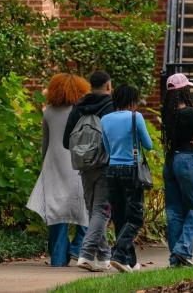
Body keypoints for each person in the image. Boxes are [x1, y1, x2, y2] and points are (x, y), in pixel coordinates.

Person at [27, 73, 91, 266]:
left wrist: (45, 163)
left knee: (56, 212)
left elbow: (45, 144)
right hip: (78, 163)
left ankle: (58, 259)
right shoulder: (82, 111)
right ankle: (77, 247)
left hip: (54, 163)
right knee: (85, 208)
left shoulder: (49, 112)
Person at [62, 70, 114, 272]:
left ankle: (104, 256)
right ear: (108, 86)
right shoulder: (112, 107)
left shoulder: (78, 107)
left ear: (90, 86)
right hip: (105, 164)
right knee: (101, 210)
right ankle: (85, 254)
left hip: (84, 166)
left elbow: (66, 141)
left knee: (94, 211)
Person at [100, 84, 152, 273]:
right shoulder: (135, 117)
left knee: (120, 217)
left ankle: (130, 262)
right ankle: (118, 254)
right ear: (133, 101)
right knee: (135, 218)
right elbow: (148, 145)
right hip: (131, 170)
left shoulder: (105, 119)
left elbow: (107, 148)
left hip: (112, 170)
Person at [161, 73, 193, 267]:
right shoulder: (189, 112)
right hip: (187, 161)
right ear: (184, 91)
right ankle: (183, 248)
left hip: (170, 162)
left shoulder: (167, 113)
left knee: (174, 211)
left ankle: (176, 260)